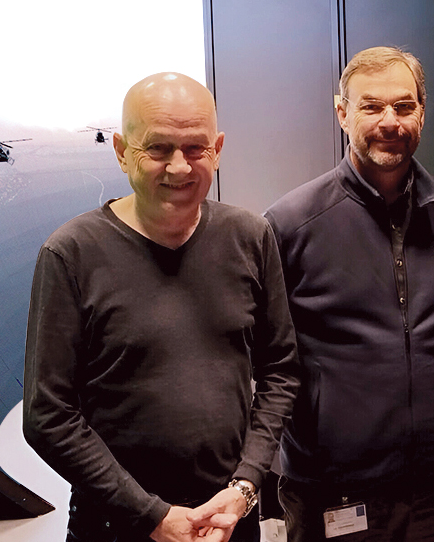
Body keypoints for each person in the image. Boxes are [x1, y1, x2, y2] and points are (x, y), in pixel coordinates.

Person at [23, 72, 300, 542]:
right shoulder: (70, 254)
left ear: (218, 147)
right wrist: (150, 514)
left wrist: (246, 484)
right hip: (114, 527)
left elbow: (281, 370)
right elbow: (48, 416)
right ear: (120, 150)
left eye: (196, 149)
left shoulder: (251, 238)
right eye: (158, 149)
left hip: (227, 522)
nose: (180, 167)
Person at [265, 46, 434, 542]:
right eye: (371, 106)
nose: (390, 121)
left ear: (422, 111)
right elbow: (264, 362)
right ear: (342, 112)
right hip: (333, 493)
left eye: (404, 106)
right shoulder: (290, 225)